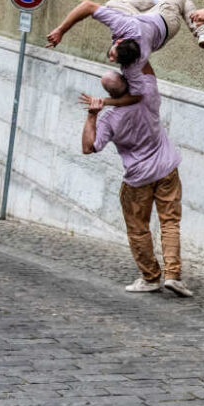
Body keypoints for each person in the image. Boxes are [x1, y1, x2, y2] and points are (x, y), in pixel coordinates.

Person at [81, 69, 194, 297]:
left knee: (138, 228)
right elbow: (145, 62)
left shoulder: (109, 119)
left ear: (107, 92)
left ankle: (151, 277)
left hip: (138, 177)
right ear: (126, 81)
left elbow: (88, 147)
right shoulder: (148, 95)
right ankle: (173, 275)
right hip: (166, 168)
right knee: (170, 223)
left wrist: (92, 114)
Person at [47, 0, 204, 102]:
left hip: (159, 30)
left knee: (111, 5)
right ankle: (201, 34)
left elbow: (136, 96)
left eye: (112, 56)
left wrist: (61, 30)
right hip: (166, 19)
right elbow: (86, 5)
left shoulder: (133, 61)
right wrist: (61, 31)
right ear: (122, 41)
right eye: (113, 56)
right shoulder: (125, 31)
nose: (109, 59)